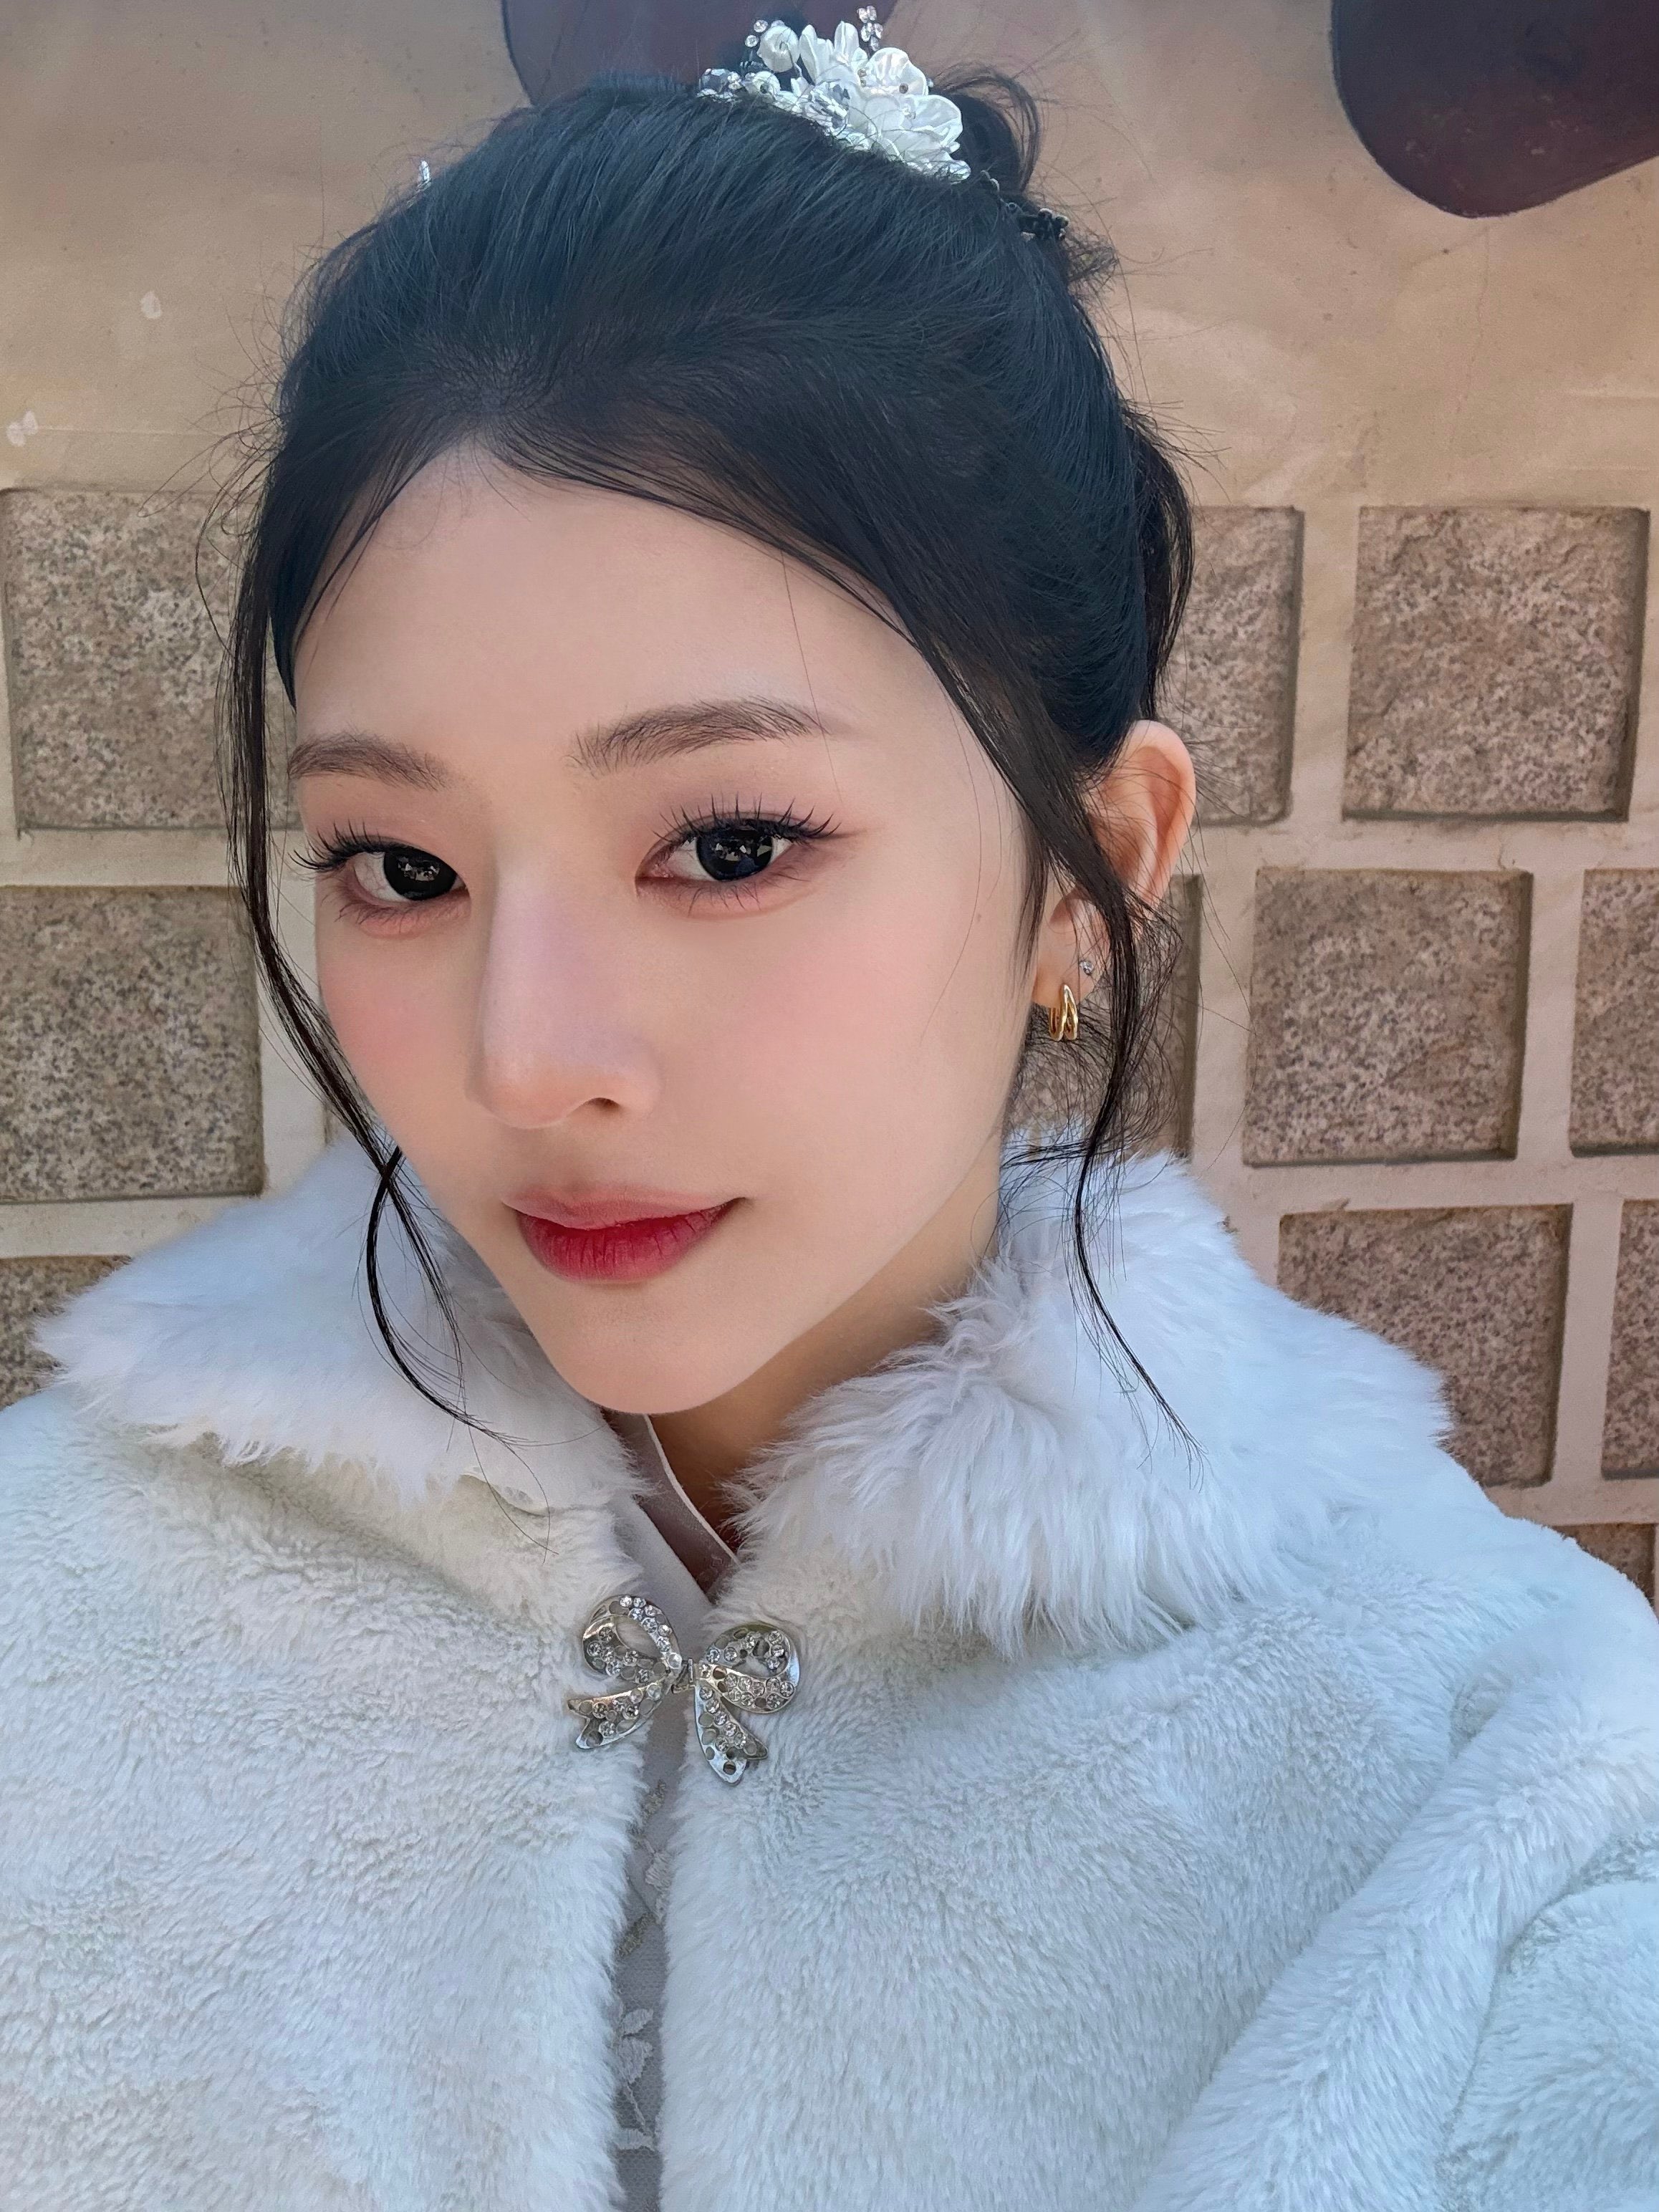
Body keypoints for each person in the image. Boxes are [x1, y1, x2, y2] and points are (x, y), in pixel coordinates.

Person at [2, 19, 1655, 2211]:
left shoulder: (1499, 1764)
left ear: (1091, 865)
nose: (526, 1062)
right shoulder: (49, 1628)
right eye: (400, 866)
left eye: (729, 844)